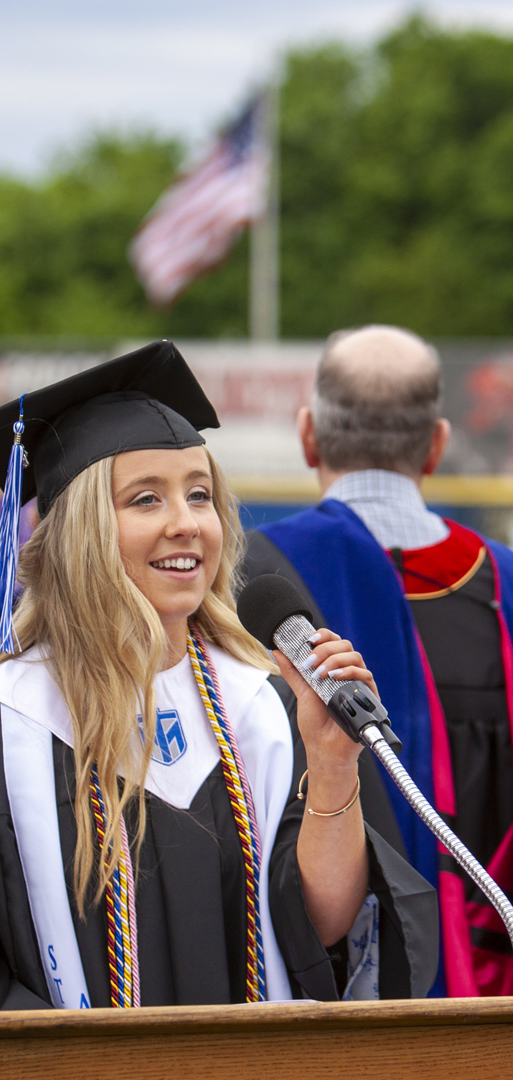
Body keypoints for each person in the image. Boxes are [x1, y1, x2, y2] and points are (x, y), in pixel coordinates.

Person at [0, 340, 437, 1051]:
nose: (186, 522)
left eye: (199, 494)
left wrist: (330, 766)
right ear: (79, 533)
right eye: (146, 498)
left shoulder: (266, 709)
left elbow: (326, 938)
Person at [243, 323, 513, 998]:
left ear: (308, 436)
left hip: (314, 991)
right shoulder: (502, 584)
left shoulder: (247, 584)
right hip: (490, 993)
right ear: (437, 445)